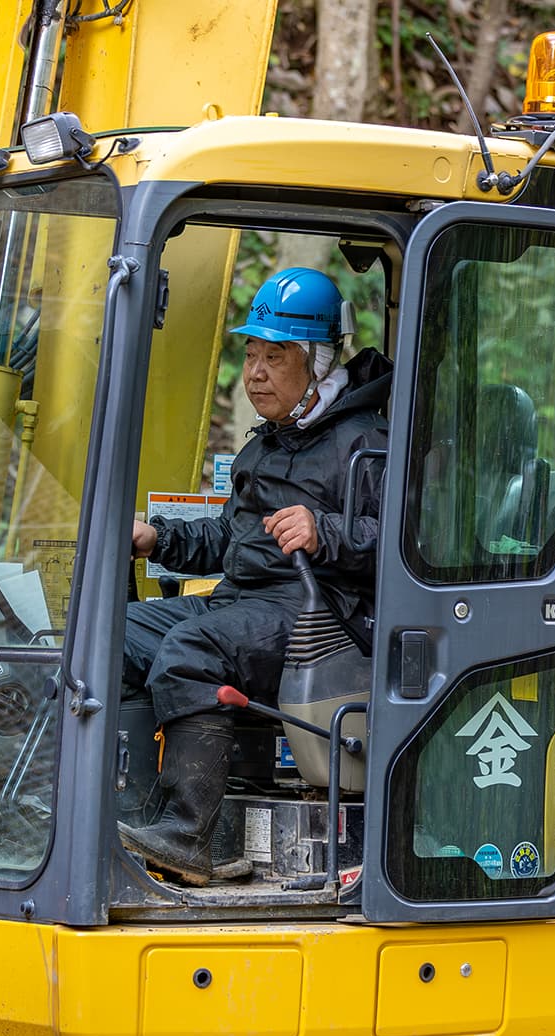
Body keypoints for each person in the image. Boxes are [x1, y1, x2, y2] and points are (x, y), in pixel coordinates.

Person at [118, 266, 392, 885]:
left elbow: (409, 544)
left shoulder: (366, 443)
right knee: (112, 635)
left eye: (276, 356)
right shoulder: (266, 444)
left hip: (319, 616)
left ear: (318, 363)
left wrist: (328, 530)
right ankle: (131, 812)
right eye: (250, 355)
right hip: (242, 603)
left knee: (194, 647)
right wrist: (158, 537)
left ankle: (190, 837)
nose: (256, 372)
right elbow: (229, 538)